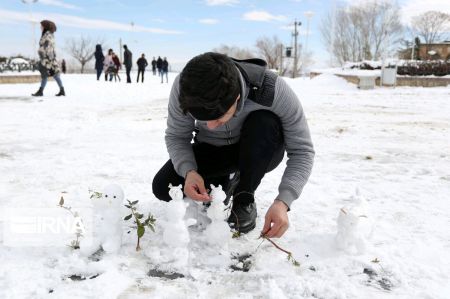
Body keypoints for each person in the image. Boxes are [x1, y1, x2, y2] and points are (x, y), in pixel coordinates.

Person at [152, 52, 314, 237]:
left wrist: (283, 202)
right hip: (213, 150)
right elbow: (177, 136)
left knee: (264, 121)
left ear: (237, 98)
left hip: (259, 147)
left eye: (218, 119)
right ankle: (226, 181)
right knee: (163, 187)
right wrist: (189, 171)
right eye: (204, 120)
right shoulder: (185, 87)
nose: (211, 126)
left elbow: (303, 151)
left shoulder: (271, 89)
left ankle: (244, 197)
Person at [32, 20, 65, 97]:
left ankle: (41, 91)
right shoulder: (49, 35)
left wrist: (43, 55)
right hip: (49, 59)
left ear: (45, 27)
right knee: (54, 75)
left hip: (47, 59)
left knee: (46, 75)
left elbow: (47, 47)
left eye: (41, 26)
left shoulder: (47, 35)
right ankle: (61, 90)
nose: (40, 27)